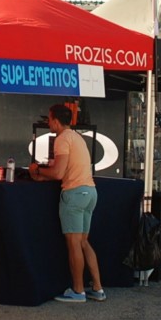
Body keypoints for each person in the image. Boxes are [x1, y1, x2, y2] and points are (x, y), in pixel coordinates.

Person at [29, 103, 103, 303]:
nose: (48, 122)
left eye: (49, 119)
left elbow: (58, 173)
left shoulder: (62, 139)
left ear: (54, 120)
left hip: (75, 194)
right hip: (90, 192)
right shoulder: (77, 137)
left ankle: (78, 291)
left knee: (73, 244)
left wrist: (36, 170)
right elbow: (63, 170)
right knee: (83, 241)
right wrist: (45, 174)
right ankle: (97, 288)